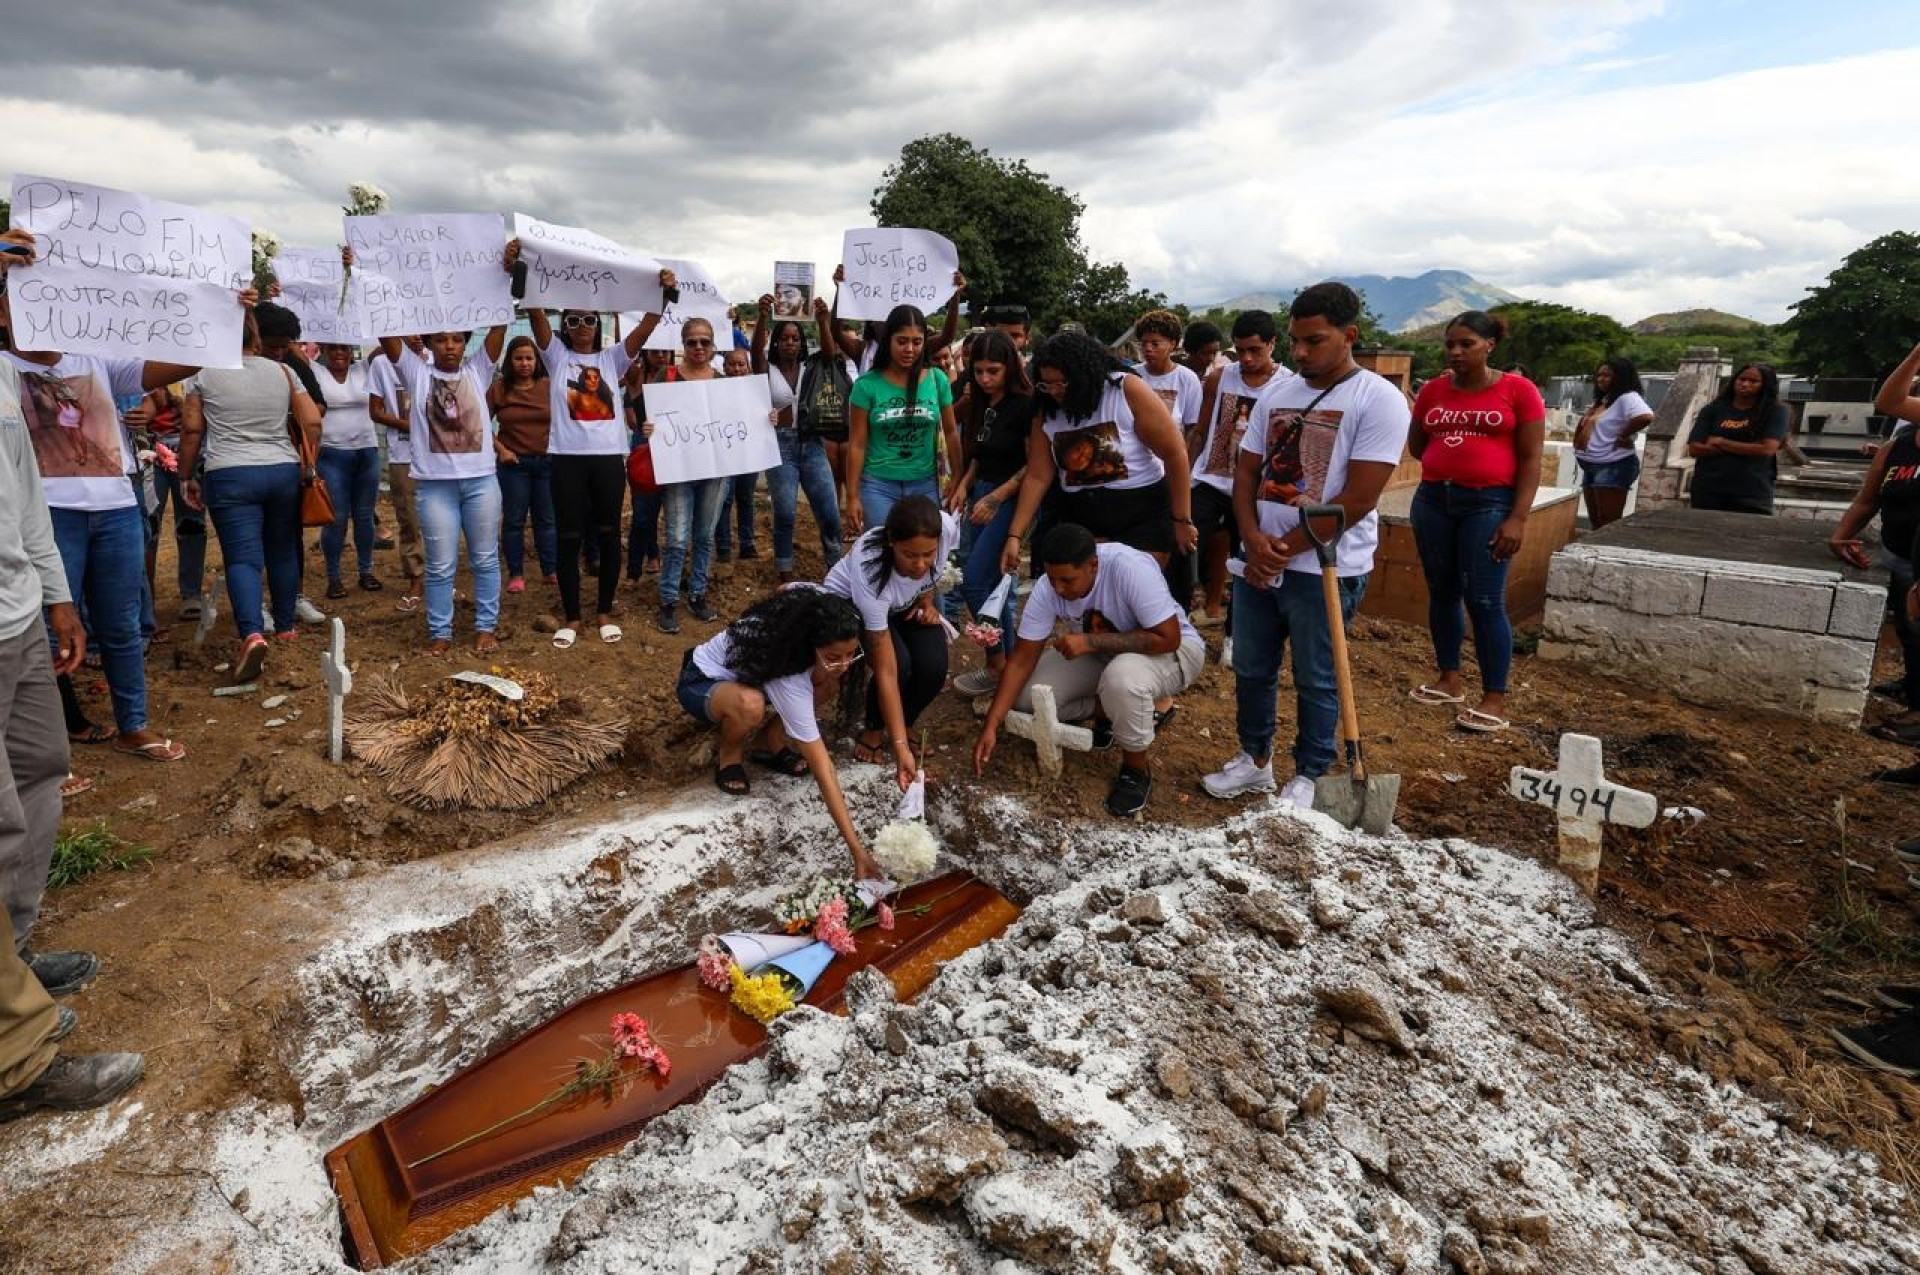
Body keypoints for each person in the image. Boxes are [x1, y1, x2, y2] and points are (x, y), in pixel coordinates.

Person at [0, 235, 250, 764]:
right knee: (41, 632)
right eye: (17, 295)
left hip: (115, 511)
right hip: (43, 521)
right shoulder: (4, 369)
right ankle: (43, 748)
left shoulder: (97, 358)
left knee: (122, 624)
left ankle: (133, 724)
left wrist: (228, 314)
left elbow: (181, 363)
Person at [1203, 282, 1412, 805]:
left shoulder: (1379, 400)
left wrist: (1285, 545)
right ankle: (1254, 759)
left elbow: (1358, 497)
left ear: (1349, 336)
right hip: (1259, 561)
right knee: (1252, 666)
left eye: (1312, 341)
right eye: (1294, 340)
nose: (1298, 352)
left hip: (1325, 566)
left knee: (1317, 676)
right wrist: (1252, 539)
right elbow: (1245, 473)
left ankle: (1312, 775)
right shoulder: (1279, 393)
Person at [0, 287, 100, 1007]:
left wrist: (56, 594)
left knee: (41, 766)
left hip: (18, 614)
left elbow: (28, 497)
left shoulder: (5, 379)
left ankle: (14, 945)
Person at [507, 248, 675, 648]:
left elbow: (647, 328)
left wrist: (665, 294)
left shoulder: (613, 358)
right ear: (565, 326)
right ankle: (572, 615)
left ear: (597, 325)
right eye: (574, 320)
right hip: (566, 460)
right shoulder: (556, 355)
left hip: (606, 461)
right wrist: (524, 269)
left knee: (606, 531)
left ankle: (603, 610)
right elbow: (534, 314)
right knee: (569, 537)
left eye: (588, 320)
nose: (582, 326)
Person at [973, 524, 1204, 816]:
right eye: (1053, 579)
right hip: (1104, 652)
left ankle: (1136, 769)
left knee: (1121, 680)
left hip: (1173, 652)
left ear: (1093, 565)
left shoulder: (1128, 568)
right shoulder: (1049, 585)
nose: (1059, 589)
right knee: (1030, 699)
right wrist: (992, 724)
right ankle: (1114, 712)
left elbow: (1168, 637)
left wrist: (1091, 640)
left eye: (1068, 580)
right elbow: (1020, 660)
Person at [676, 588, 884, 881]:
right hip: (701, 682)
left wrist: (830, 663)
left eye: (852, 653)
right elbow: (823, 767)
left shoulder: (824, 607)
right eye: (833, 655)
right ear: (810, 643)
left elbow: (784, 590)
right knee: (751, 706)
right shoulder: (787, 670)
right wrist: (858, 851)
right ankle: (729, 755)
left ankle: (768, 743)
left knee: (828, 682)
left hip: (751, 675)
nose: (846, 663)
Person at [1405, 311, 1545, 734]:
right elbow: (1417, 443)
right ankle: (1449, 679)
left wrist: (1518, 518)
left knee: (1484, 599)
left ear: (1490, 345)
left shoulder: (1518, 391)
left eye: (1466, 344)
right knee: (1442, 592)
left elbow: (1531, 458)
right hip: (1434, 499)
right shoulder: (1432, 390)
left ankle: (1494, 697)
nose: (1456, 352)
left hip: (1489, 504)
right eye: (1450, 344)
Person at [179, 314, 325, 683]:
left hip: (229, 472)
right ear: (254, 337)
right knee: (283, 549)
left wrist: (185, 475)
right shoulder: (283, 372)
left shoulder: (203, 373)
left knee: (242, 558)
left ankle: (252, 633)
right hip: (281, 470)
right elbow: (312, 422)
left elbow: (193, 428)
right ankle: (286, 624)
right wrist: (309, 465)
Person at [1000, 332, 1199, 577]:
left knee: (1136, 592)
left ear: (1083, 375)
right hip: (1084, 518)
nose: (1054, 391)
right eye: (1046, 383)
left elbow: (1175, 453)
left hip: (1141, 514)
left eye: (1062, 383)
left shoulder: (1126, 390)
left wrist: (1182, 520)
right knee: (1096, 602)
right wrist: (1015, 535)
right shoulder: (1046, 409)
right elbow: (1038, 476)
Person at [371, 317, 511, 656]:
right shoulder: (416, 373)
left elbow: (499, 327)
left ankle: (485, 628)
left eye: (457, 339)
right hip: (435, 488)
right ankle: (440, 633)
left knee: (485, 558)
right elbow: (384, 328)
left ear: (465, 344)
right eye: (441, 340)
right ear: (430, 344)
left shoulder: (479, 371)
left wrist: (507, 279)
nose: (449, 345)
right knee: (440, 564)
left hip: (480, 482)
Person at [822, 495, 957, 782]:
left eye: (927, 553)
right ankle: (873, 727)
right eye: (910, 555)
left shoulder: (944, 528)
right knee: (901, 665)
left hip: (902, 605)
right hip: (850, 608)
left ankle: (904, 721)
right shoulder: (869, 568)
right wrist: (899, 750)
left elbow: (934, 571)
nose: (920, 564)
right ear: (892, 541)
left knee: (934, 664)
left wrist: (927, 600)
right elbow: (886, 669)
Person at [1187, 312, 1290, 625]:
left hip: (1255, 488)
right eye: (1240, 349)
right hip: (1210, 481)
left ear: (1272, 344)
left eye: (1255, 350)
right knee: (1183, 547)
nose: (1246, 358)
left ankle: (1235, 633)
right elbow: (1200, 431)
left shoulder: (1288, 385)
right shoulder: (1220, 378)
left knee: (1245, 559)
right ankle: (1173, 619)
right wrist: (1183, 476)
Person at [950, 330, 1034, 697]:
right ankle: (1007, 665)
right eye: (979, 371)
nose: (984, 379)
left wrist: (995, 498)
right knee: (992, 583)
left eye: (993, 371)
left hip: (1010, 501)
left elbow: (1034, 467)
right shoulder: (984, 402)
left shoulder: (1025, 405)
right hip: (982, 494)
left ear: (1010, 368)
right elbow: (979, 455)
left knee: (974, 581)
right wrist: (965, 486)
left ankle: (1001, 662)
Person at [641, 316, 728, 634]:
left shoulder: (723, 383)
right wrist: (648, 427)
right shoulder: (667, 376)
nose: (698, 347)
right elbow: (650, 418)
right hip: (678, 469)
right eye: (692, 341)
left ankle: (697, 594)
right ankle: (667, 601)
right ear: (683, 345)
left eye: (705, 341)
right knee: (677, 538)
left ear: (713, 345)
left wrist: (766, 417)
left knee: (705, 536)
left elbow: (739, 420)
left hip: (715, 470)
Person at [845, 304, 962, 537]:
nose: (910, 349)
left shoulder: (937, 380)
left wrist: (957, 476)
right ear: (888, 340)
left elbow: (950, 431)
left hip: (926, 485)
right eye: (902, 341)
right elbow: (857, 443)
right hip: (877, 486)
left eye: (917, 342)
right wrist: (852, 496)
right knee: (882, 552)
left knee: (920, 554)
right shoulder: (866, 385)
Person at [754, 298, 844, 584]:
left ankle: (835, 565)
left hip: (812, 443)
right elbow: (756, 350)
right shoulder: (767, 370)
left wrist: (822, 320)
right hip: (780, 445)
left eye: (795, 338)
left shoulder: (813, 366)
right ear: (777, 343)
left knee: (829, 511)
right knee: (785, 512)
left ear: (802, 343)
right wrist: (762, 317)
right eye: (784, 338)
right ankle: (785, 571)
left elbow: (830, 353)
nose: (790, 342)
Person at [486, 335, 556, 598]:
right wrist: (501, 450)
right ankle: (516, 573)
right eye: (518, 358)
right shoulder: (499, 389)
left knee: (547, 520)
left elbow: (568, 419)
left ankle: (550, 569)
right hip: (513, 464)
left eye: (529, 358)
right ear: (510, 361)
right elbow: (480, 422)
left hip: (546, 463)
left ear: (537, 361)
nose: (524, 363)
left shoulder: (549, 386)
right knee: (514, 521)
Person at [313, 342, 385, 598]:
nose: (339, 353)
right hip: (331, 455)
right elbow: (291, 350)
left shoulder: (364, 368)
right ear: (322, 349)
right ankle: (334, 577)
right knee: (336, 518)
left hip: (366, 452)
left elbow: (389, 344)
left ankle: (365, 571)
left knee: (365, 516)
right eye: (332, 348)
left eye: (343, 348)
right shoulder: (314, 372)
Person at [1685, 363, 1788, 515]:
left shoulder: (1775, 411)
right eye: (1742, 379)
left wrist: (1721, 442)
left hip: (1752, 492)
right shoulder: (1712, 410)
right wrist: (1749, 447)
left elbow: (1767, 449)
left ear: (1765, 385)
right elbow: (1694, 449)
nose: (1745, 384)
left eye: (1753, 381)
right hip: (1708, 490)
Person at [367, 339, 423, 611]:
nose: (417, 337)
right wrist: (409, 425)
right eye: (411, 331)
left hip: (441, 457)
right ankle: (416, 578)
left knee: (440, 521)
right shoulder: (381, 364)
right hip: (404, 454)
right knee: (409, 519)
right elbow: (375, 410)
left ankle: (441, 578)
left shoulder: (437, 359)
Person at [1573, 356, 1654, 530]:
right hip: (1592, 466)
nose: (1601, 379)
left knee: (1607, 521)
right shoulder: (1605, 400)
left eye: (1607, 375)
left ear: (1621, 377)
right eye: (1599, 375)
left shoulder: (1628, 397)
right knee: (1595, 520)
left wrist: (1624, 435)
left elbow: (1646, 416)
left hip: (1612, 465)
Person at [714, 344, 762, 564]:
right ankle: (723, 546)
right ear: (724, 367)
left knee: (746, 498)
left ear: (748, 366)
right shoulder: (715, 387)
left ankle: (747, 544)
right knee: (724, 500)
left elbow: (763, 417)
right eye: (731, 364)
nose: (736, 368)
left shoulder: (757, 389)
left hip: (748, 454)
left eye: (741, 364)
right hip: (724, 454)